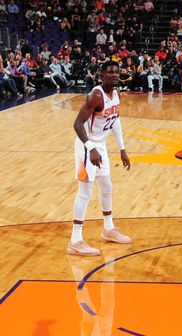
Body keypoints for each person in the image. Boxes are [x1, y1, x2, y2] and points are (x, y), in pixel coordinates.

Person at [69, 60, 132, 256]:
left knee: (107, 187)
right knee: (85, 192)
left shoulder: (117, 93)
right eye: (110, 72)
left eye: (116, 72)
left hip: (100, 146)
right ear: (101, 75)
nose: (114, 75)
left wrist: (122, 148)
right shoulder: (96, 95)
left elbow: (115, 120)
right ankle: (75, 241)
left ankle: (108, 229)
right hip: (86, 145)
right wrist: (90, 147)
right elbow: (77, 124)